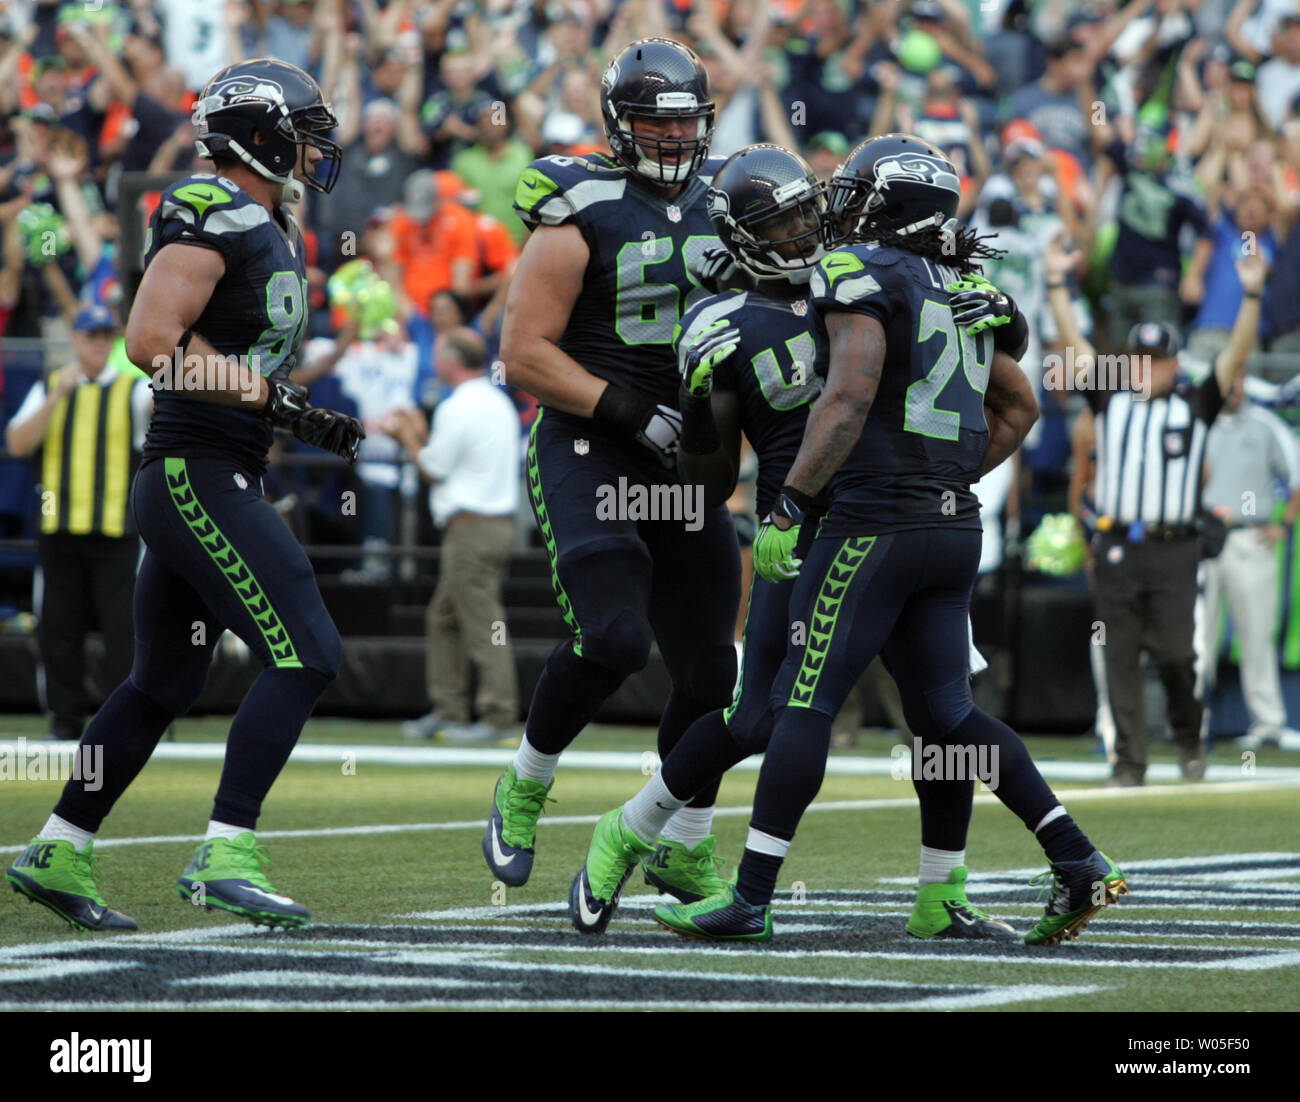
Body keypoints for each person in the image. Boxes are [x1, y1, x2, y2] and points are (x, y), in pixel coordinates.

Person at [652, 135, 1125, 946]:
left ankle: (752, 896)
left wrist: (791, 505)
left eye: (858, 192)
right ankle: (1076, 859)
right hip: (953, 525)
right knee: (948, 716)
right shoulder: (966, 286)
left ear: (890, 204)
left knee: (803, 701)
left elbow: (846, 396)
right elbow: (1021, 408)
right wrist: (944, 475)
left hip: (873, 522)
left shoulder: (856, 270)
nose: (840, 205)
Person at [568, 142, 1027, 940]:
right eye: (779, 223)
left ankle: (939, 891)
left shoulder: (876, 270)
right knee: (760, 718)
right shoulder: (721, 317)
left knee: (939, 722)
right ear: (741, 238)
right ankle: (632, 830)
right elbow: (708, 483)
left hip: (896, 518)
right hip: (805, 525)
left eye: (806, 212)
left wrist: (1008, 317)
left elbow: (1003, 389)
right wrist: (702, 403)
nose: (802, 231)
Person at [5, 59, 364, 933]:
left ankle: (58, 845)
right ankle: (226, 851)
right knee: (308, 651)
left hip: (214, 466)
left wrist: (294, 412)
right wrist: (272, 400)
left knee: (162, 678)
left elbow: (234, 358)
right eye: (304, 128)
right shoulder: (211, 209)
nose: (318, 146)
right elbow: (149, 340)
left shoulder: (274, 222)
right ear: (261, 133)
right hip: (193, 471)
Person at [483, 38, 742, 899]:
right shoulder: (580, 201)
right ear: (617, 123)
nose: (671, 139)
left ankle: (683, 840)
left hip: (686, 460)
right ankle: (525, 780)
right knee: (618, 637)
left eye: (683, 122)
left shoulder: (727, 204)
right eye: (652, 122)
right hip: (592, 440)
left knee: (713, 672)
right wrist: (632, 408)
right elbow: (521, 354)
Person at [1043, 233, 1266, 787]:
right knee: (1116, 655)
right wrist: (1054, 285)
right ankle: (1129, 763)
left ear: (1174, 365)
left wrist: (1253, 296)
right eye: (1140, 360)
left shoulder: (1195, 403)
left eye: (1157, 362)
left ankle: (1189, 738)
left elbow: (1235, 355)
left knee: (1175, 655)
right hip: (1116, 543)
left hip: (1175, 547)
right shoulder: (1110, 397)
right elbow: (1073, 343)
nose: (1147, 371)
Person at [5, 304, 152, 743]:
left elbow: (163, 410)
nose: (100, 344)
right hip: (58, 527)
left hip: (115, 530)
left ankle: (122, 724)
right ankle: (65, 721)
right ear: (75, 340)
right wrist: (56, 398)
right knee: (59, 629)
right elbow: (16, 444)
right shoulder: (51, 386)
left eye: (107, 336)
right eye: (92, 336)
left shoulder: (133, 390)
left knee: (122, 631)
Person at [390, 327, 520, 745]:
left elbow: (433, 468)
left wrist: (407, 434)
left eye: (440, 355)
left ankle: (498, 715)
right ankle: (448, 709)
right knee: (445, 616)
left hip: (471, 529)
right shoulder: (496, 401)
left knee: (482, 622)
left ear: (450, 360)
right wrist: (420, 438)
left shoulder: (458, 406)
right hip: (493, 525)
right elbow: (452, 461)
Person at [1202, 372, 1300, 751]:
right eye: (1227, 380)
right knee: (1198, 637)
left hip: (1250, 533)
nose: (1233, 388)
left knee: (1257, 633)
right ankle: (1194, 723)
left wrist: (1284, 525)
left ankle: (1269, 723)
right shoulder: (1199, 422)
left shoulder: (1265, 424)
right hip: (1205, 538)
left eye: (1238, 380)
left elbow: (1295, 477)